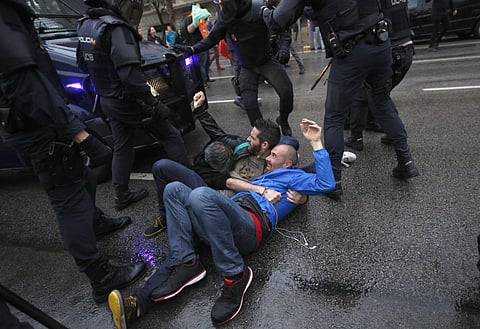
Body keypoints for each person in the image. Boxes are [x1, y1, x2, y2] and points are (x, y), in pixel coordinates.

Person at [107, 118, 335, 329]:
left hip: (250, 225)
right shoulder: (258, 171)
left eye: (273, 156)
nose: (267, 158)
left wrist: (316, 143)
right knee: (174, 190)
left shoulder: (291, 177)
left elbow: (325, 182)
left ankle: (236, 275)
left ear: (287, 164)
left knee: (200, 195)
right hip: (221, 219)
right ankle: (141, 301)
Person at [0, 0, 145, 304]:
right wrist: (79, 134)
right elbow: (27, 85)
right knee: (67, 200)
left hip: (40, 121)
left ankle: (95, 223)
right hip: (38, 127)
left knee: (84, 178)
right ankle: (100, 276)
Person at [262, 0, 419, 200]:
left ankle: (334, 182)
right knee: (382, 103)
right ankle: (406, 162)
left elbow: (278, 21)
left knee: (335, 117)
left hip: (351, 51)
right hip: (380, 43)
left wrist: (265, 11)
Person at [77, 0, 191, 211]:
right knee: (169, 134)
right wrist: (155, 104)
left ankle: (121, 194)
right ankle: (191, 184)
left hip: (108, 99)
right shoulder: (116, 28)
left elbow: (83, 63)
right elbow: (130, 76)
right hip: (128, 100)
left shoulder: (86, 24)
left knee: (122, 146)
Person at [143, 90, 293, 238]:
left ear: (265, 144)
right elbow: (217, 133)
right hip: (209, 185)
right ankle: (165, 218)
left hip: (225, 204)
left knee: (188, 206)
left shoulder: (273, 163)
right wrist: (200, 110)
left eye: (253, 137)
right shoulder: (242, 146)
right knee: (161, 166)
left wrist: (302, 197)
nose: (248, 138)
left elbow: (297, 171)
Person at [176, 0, 295, 136]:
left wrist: (285, 47)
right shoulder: (225, 17)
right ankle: (264, 136)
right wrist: (192, 49)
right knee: (251, 108)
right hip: (247, 67)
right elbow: (212, 39)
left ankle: (283, 120)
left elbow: (280, 25)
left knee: (286, 93)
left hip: (266, 61)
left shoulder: (258, 8)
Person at [345, 0, 416, 150]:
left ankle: (357, 138)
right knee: (376, 96)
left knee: (370, 98)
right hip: (406, 49)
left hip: (389, 51)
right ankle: (378, 129)